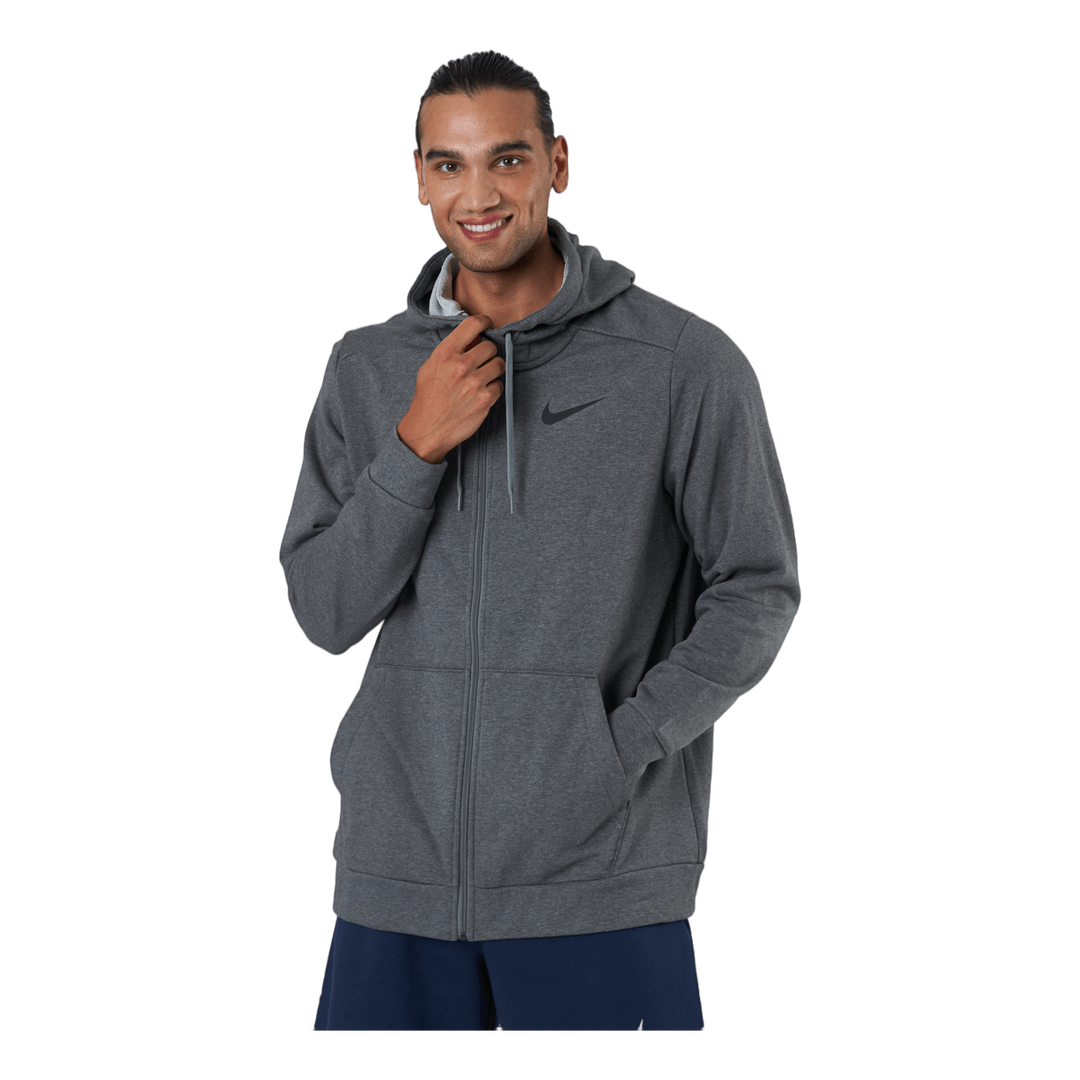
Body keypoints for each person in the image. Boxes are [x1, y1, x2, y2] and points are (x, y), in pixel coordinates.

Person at [281, 48, 802, 1033]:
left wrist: (619, 748)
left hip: (598, 880)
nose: (477, 195)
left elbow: (759, 588)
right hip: (395, 880)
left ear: (559, 164)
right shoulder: (366, 367)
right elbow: (323, 612)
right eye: (448, 164)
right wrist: (414, 447)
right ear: (418, 178)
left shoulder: (681, 363)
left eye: (507, 160)